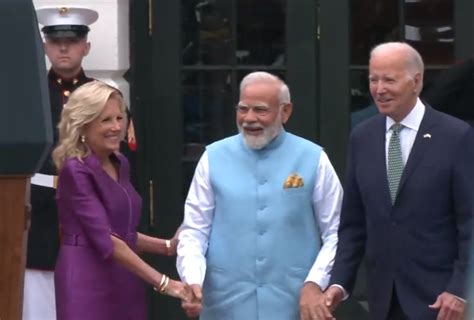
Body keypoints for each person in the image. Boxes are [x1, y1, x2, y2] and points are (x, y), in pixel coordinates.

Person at [319, 42, 474, 320]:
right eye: (373, 79)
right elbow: (353, 224)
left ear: (416, 82)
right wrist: (339, 283)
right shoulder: (362, 137)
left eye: (389, 79)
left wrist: (460, 289)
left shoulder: (456, 136)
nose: (379, 89)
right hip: (382, 300)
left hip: (442, 303)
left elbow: (470, 221)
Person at [176, 71, 343, 319]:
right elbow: (194, 230)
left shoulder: (313, 158)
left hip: (292, 303)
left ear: (285, 112)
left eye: (260, 110)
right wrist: (192, 279)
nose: (249, 118)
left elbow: (336, 232)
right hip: (224, 304)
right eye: (243, 109)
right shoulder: (213, 157)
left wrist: (316, 282)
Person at [50, 80, 191, 319]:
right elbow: (107, 239)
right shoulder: (76, 170)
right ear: (83, 126)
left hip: (124, 275)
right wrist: (167, 283)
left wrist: (168, 247)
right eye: (105, 120)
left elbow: (124, 232)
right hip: (86, 280)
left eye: (119, 118)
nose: (116, 127)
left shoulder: (120, 162)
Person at [24, 6, 99, 319]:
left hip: (89, 215)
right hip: (40, 217)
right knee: (39, 307)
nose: (64, 47)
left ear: (86, 46)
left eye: (72, 40)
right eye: (55, 41)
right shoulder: (28, 96)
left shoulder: (102, 96)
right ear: (44, 46)